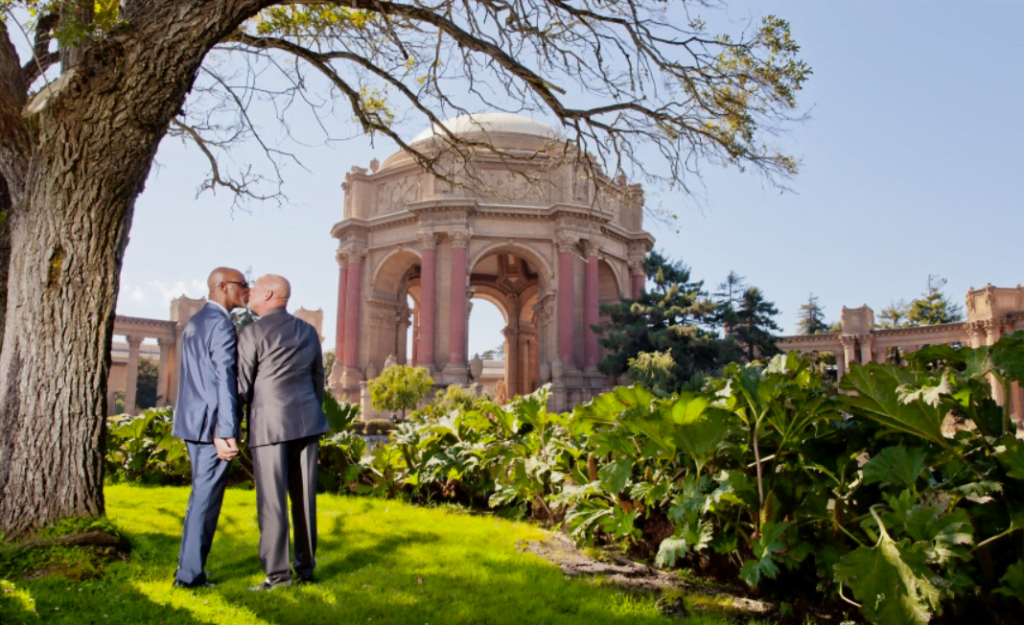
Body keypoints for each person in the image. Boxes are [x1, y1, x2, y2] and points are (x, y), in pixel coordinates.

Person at [237, 274, 330, 591]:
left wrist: (233, 424)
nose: (248, 295)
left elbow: (242, 385)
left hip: (269, 425)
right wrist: (312, 412)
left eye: (255, 290)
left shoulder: (252, 332)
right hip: (307, 422)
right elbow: (319, 379)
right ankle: (305, 569)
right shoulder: (308, 331)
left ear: (271, 294)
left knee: (273, 502)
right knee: (304, 499)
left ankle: (277, 576)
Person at [171, 267, 250, 588]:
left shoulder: (196, 322)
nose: (247, 290)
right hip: (212, 427)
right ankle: (189, 577)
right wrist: (225, 431)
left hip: (193, 423)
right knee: (205, 501)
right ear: (221, 286)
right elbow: (224, 382)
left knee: (198, 498)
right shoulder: (221, 325)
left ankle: (189, 569)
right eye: (241, 285)